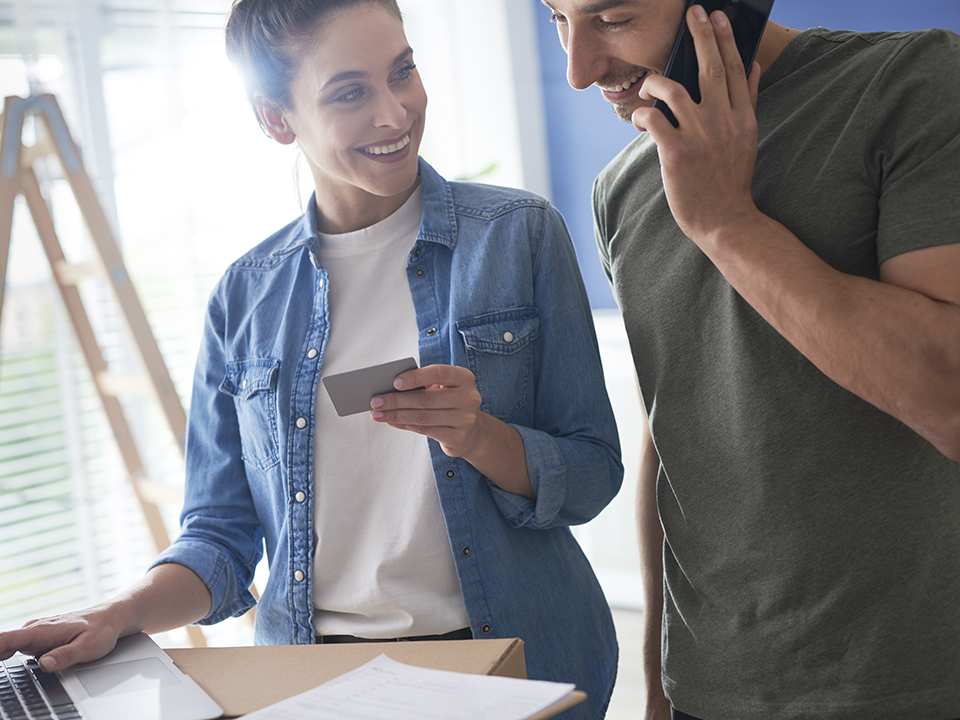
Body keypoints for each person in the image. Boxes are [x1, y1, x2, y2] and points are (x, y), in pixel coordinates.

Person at [0, 2, 623, 717]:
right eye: (350, 92)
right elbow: (219, 540)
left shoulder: (520, 237)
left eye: (404, 71)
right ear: (276, 119)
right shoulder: (243, 298)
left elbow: (593, 475)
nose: (395, 114)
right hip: (317, 682)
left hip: (510, 659)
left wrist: (479, 437)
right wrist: (119, 612)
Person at [540, 1, 960, 719]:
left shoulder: (912, 83)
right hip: (714, 689)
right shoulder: (621, 187)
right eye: (556, 17)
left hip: (916, 684)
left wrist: (726, 222)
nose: (578, 70)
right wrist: (660, 680)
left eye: (611, 17)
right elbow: (671, 436)